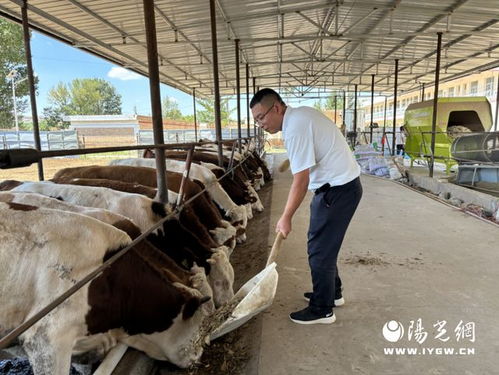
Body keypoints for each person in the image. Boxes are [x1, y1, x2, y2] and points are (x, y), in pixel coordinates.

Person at [250, 88, 363, 325]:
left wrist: (286, 217)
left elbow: (300, 181)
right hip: (341, 187)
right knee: (324, 246)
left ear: (277, 108)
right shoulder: (300, 117)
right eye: (256, 120)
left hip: (337, 190)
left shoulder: (296, 128)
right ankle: (333, 293)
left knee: (319, 250)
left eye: (261, 117)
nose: (259, 124)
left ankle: (322, 309)